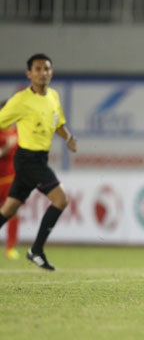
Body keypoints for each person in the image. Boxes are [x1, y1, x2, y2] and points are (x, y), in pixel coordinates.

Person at [0, 53, 78, 271]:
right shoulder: (20, 100)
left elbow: (58, 124)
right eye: (38, 69)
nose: (43, 73)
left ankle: (36, 250)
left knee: (8, 209)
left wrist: (69, 138)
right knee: (60, 200)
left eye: (46, 69)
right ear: (29, 74)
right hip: (28, 159)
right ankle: (36, 250)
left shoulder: (53, 96)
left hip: (38, 159)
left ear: (51, 72)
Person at [0, 119, 19, 260]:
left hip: (10, 179)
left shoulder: (17, 132)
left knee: (12, 212)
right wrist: (5, 148)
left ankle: (10, 248)